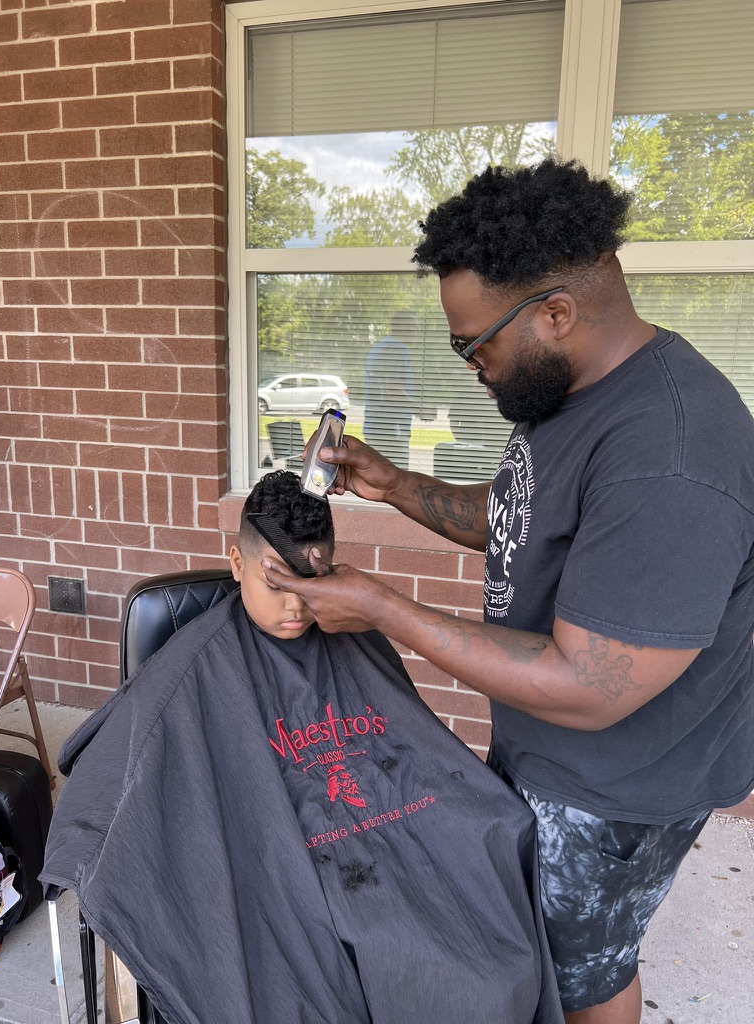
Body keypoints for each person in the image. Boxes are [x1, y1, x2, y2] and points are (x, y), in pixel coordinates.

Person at [261, 159, 754, 1024]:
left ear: (556, 312)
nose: (470, 366)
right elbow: (522, 517)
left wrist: (378, 606)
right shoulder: (566, 391)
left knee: (584, 970)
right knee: (537, 944)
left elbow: (588, 684)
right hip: (553, 754)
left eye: (472, 344)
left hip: (620, 787)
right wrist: (397, 485)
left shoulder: (673, 452)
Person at [41, 471, 564, 1024]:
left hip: (379, 831)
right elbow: (115, 778)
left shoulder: (355, 638)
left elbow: (413, 744)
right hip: (279, 858)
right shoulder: (191, 667)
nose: (297, 606)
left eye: (312, 583)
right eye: (277, 584)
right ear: (239, 565)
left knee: (493, 867)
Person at [362, 310, 419, 469]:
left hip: (378, 428)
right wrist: (420, 409)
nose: (417, 331)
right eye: (414, 326)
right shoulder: (397, 348)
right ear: (402, 327)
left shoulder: (381, 347)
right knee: (395, 484)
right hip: (390, 431)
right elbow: (391, 388)